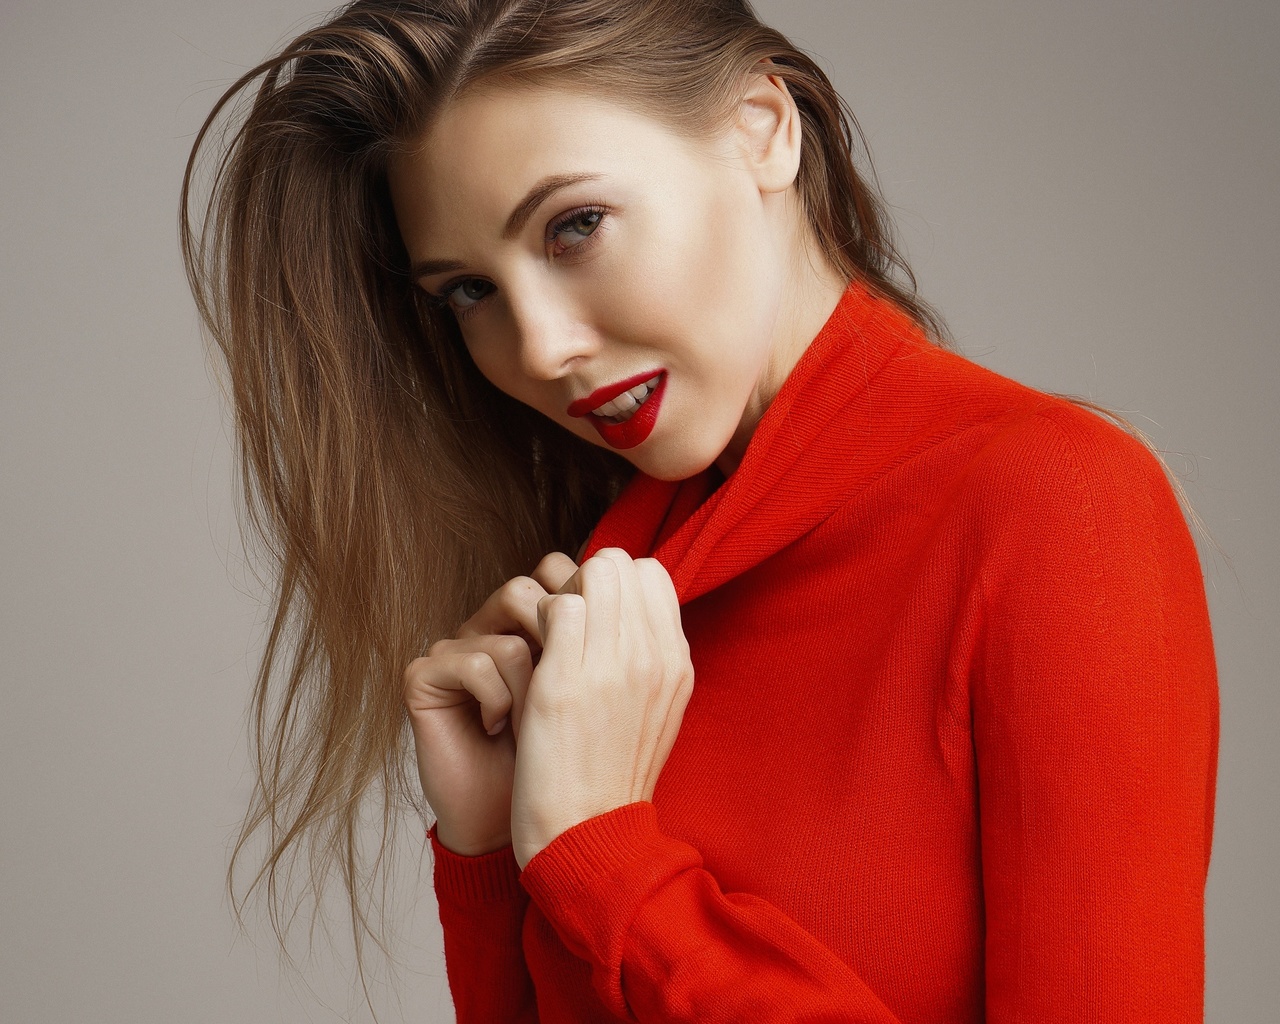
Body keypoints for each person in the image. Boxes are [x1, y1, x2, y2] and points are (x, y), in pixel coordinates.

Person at [180, 1, 1219, 1021]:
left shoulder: (1054, 504)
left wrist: (606, 860)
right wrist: (492, 852)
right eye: (467, 292)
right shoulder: (598, 592)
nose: (537, 349)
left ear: (760, 128)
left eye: (573, 226)